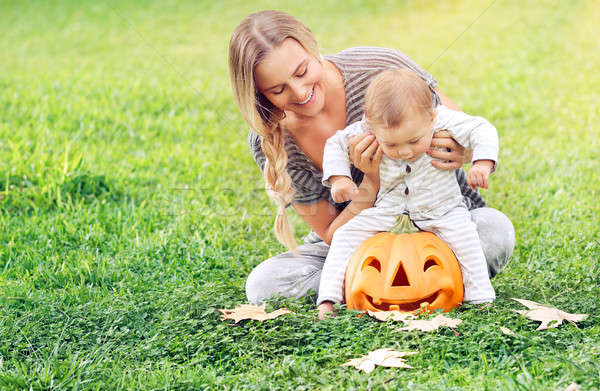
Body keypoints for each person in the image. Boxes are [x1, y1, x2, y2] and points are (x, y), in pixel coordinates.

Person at [228, 10, 515, 313]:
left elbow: (463, 129)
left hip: (442, 219)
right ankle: (392, 281)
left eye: (301, 72)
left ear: (313, 49)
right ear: (259, 94)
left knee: (495, 232)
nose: (300, 92)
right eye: (277, 89)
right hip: (360, 237)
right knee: (264, 284)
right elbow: (332, 234)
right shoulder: (270, 139)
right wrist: (370, 182)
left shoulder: (379, 69)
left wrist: (472, 157)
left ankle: (389, 280)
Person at [318, 69, 498, 317]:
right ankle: (329, 298)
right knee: (345, 235)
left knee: (466, 238)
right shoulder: (369, 128)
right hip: (389, 210)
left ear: (431, 118)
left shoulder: (443, 119)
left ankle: (481, 298)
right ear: (372, 127)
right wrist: (339, 178)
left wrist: (482, 163)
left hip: (442, 208)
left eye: (414, 141)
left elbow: (482, 128)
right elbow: (336, 143)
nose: (404, 151)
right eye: (391, 144)